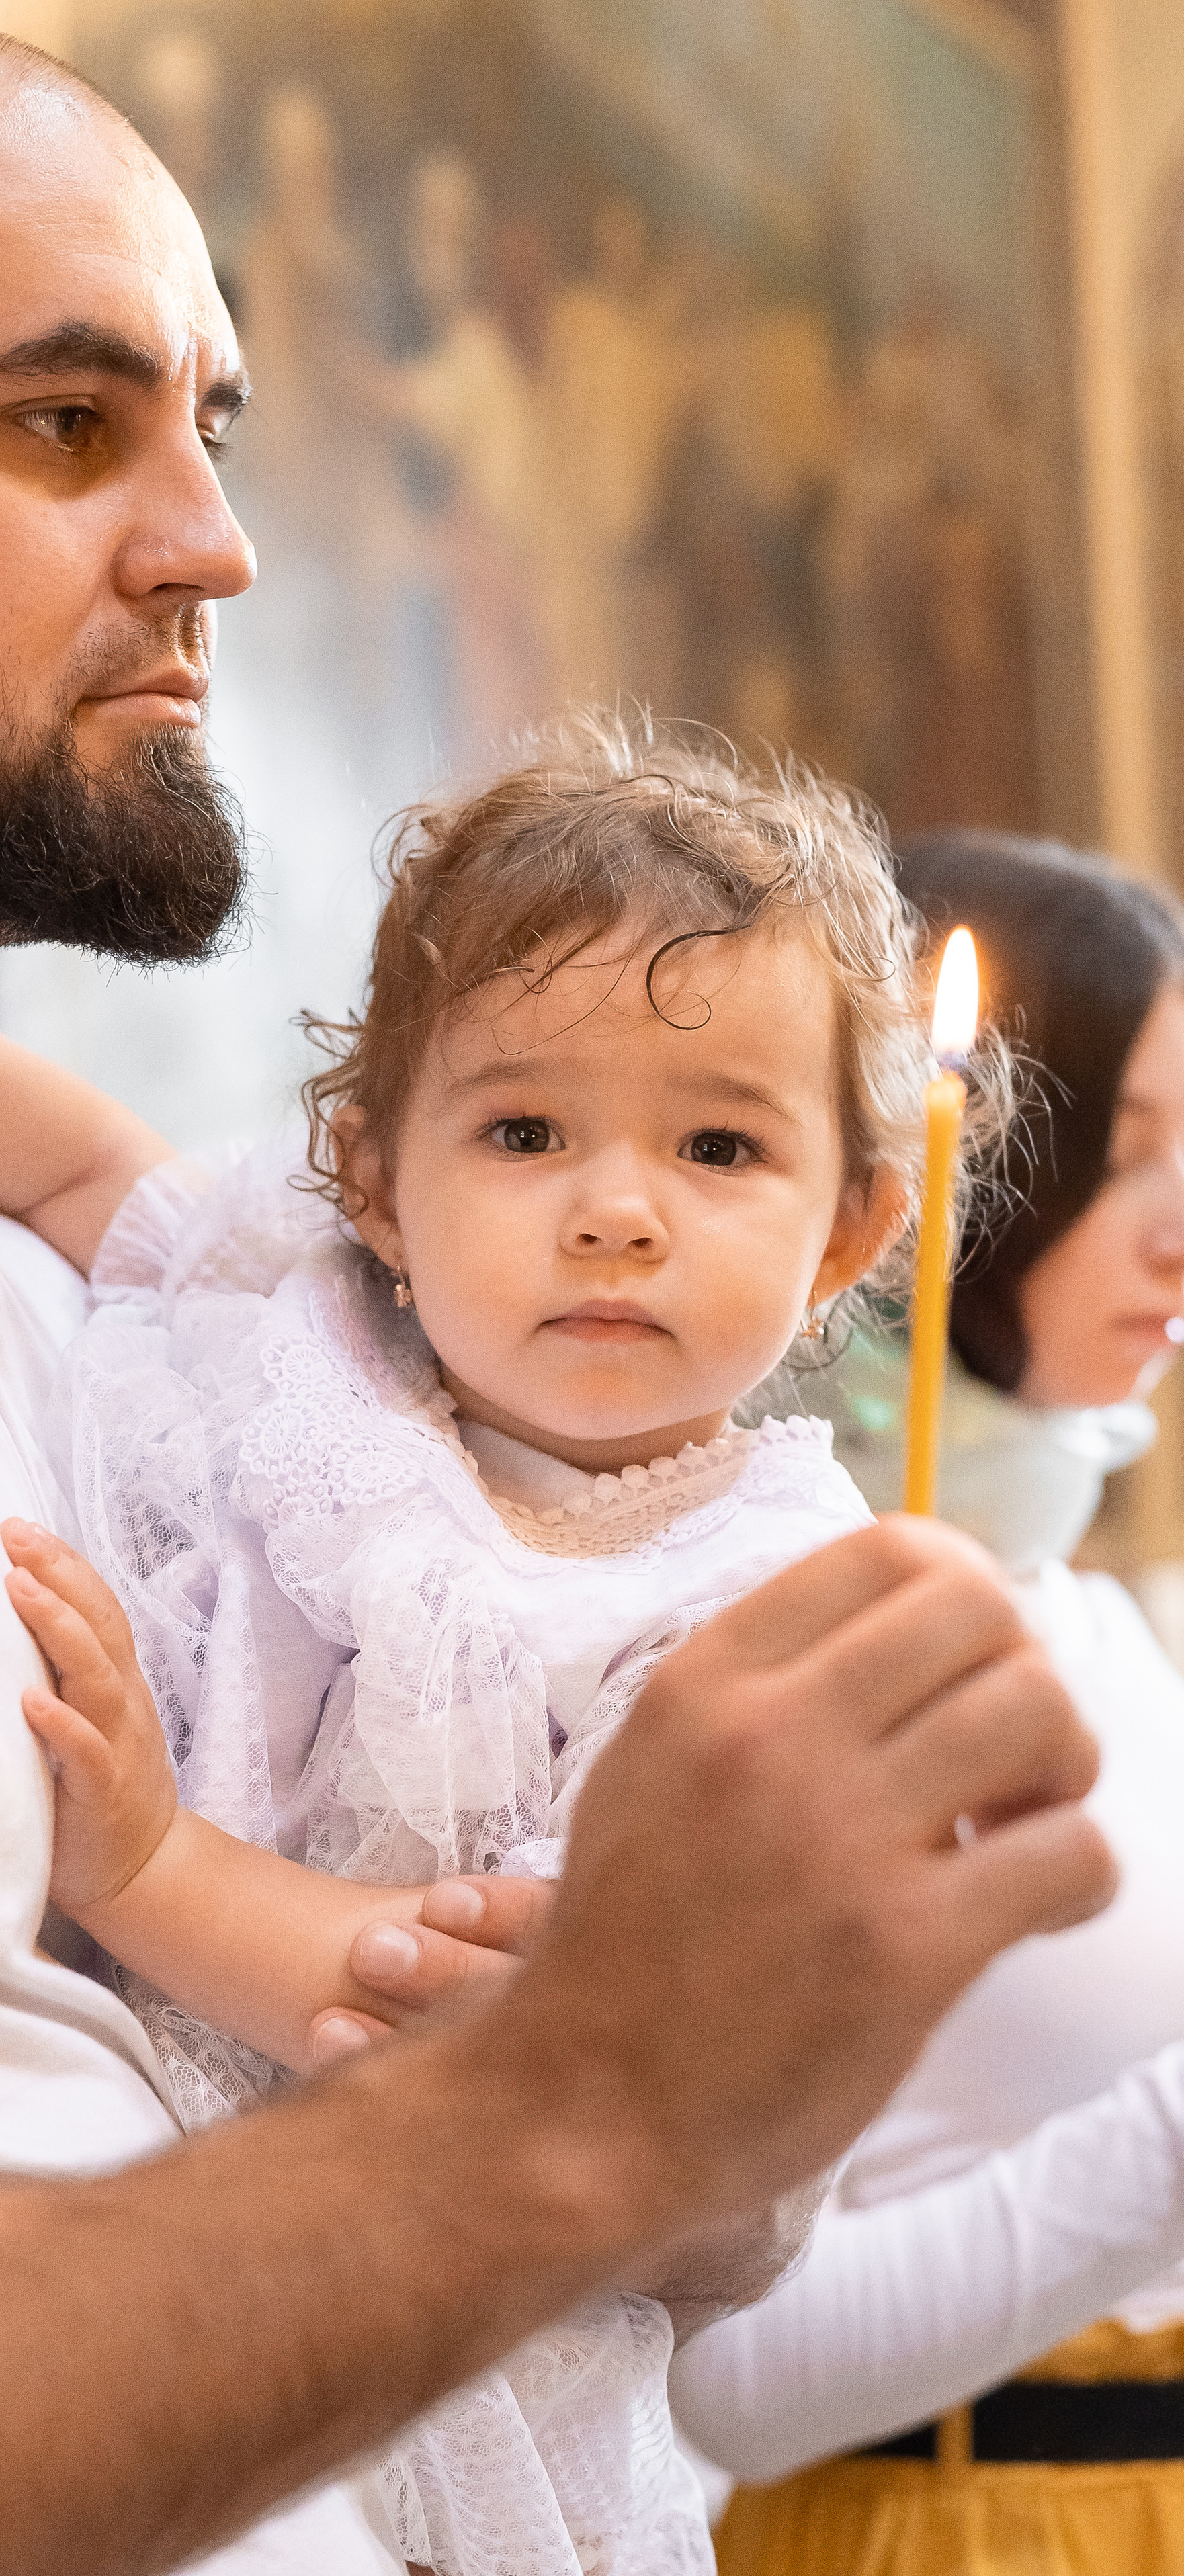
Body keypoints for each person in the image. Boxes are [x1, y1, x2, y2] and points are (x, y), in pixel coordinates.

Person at [0, 15, 1114, 2571]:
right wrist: (577, 2095)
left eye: (212, 427)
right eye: (62, 423)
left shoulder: (14, 1284)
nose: (216, 544)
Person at [0, 720, 993, 2576]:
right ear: (376, 1184)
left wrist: (152, 1866)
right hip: (93, 2201)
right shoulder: (302, 1311)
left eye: (720, 1143)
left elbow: (500, 2015)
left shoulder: (764, 1605)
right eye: (524, 1130)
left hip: (443, 2345)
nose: (617, 1208)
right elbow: (75, 1153)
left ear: (850, 1232)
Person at [673, 830, 1184, 2571]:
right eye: (1125, 1151)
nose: (1180, 1223)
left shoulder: (1092, 1615)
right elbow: (729, 2381)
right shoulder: (782, 1630)